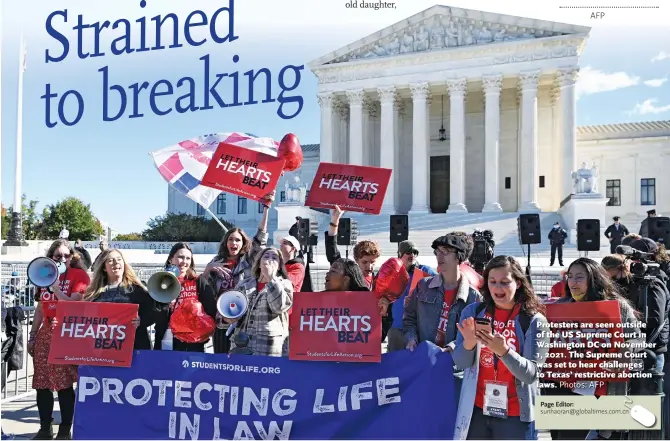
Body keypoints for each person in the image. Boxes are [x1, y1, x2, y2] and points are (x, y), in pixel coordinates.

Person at [452, 255, 549, 440]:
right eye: (493, 281)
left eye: (505, 282)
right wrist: (469, 343)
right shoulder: (472, 312)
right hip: (478, 411)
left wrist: (504, 351)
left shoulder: (534, 321)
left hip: (515, 415)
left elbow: (531, 374)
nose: (498, 288)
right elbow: (460, 363)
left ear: (518, 283)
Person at [545, 257, 643, 440]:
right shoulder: (559, 307)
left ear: (594, 279)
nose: (573, 281)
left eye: (580, 277)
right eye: (570, 276)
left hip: (603, 388)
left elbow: (637, 338)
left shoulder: (617, 307)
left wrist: (625, 351)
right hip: (563, 387)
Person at [28, 239, 90, 440]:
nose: (63, 259)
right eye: (58, 256)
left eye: (66, 255)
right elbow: (40, 307)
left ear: (72, 257)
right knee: (42, 383)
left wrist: (56, 289)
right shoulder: (43, 273)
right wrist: (33, 334)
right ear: (51, 257)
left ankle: (65, 430)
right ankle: (45, 428)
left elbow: (75, 302)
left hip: (67, 334)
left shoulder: (78, 275)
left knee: (64, 384)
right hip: (46, 334)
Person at [202, 193, 272, 354]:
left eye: (238, 240)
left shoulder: (250, 260)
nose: (234, 243)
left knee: (242, 360)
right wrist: (207, 270)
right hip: (222, 320)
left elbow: (261, 236)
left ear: (243, 243)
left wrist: (266, 208)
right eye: (231, 239)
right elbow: (202, 288)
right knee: (221, 358)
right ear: (226, 242)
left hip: (244, 320)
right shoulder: (216, 261)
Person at [404, 233, 481, 351]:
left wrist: (452, 347)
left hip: (455, 366)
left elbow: (475, 334)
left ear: (459, 256)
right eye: (437, 251)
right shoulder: (423, 286)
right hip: (424, 359)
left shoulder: (474, 297)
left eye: (445, 251)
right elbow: (409, 319)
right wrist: (411, 339)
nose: (439, 256)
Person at [83, 249, 156, 350]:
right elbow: (82, 319)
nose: (116, 262)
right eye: (110, 260)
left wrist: (141, 321)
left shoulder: (138, 289)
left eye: (119, 259)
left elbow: (153, 312)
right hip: (102, 349)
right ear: (104, 267)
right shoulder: (93, 293)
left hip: (134, 347)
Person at [227, 247, 294, 356]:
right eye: (266, 256)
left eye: (274, 258)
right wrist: (228, 317)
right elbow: (232, 310)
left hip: (268, 348)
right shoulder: (244, 284)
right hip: (241, 346)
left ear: (279, 266)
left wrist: (271, 278)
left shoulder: (285, 284)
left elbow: (279, 307)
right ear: (259, 263)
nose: (270, 260)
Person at [153, 243, 217, 352]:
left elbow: (211, 310)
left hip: (193, 343)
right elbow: (154, 313)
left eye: (188, 258)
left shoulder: (198, 281)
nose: (184, 262)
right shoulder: (160, 281)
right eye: (180, 257)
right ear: (171, 259)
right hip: (166, 337)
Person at [381, 240, 437, 352]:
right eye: (408, 252)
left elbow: (440, 289)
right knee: (394, 365)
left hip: (418, 328)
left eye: (415, 252)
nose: (412, 255)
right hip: (397, 326)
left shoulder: (425, 270)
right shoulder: (393, 272)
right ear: (400, 254)